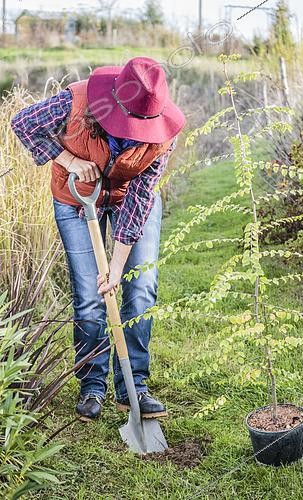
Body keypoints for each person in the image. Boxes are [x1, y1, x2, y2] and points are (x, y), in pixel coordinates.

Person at [11, 56, 186, 420]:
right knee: (90, 296)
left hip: (128, 200)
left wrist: (118, 266)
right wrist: (69, 161)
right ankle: (92, 385)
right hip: (76, 199)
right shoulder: (75, 102)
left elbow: (141, 197)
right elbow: (23, 124)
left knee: (140, 286)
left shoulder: (163, 134)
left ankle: (133, 385)